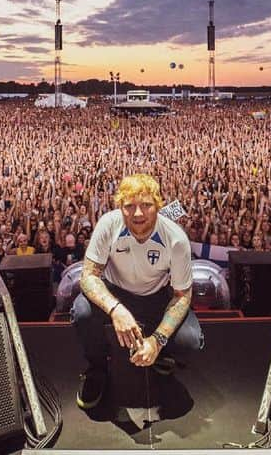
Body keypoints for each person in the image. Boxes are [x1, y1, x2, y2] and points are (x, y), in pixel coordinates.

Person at [71, 174, 203, 411]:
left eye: (146, 206)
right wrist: (116, 309)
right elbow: (88, 276)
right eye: (129, 206)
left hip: (157, 297)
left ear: (158, 206)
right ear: (120, 207)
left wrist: (158, 340)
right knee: (82, 313)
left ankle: (159, 356)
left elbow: (183, 295)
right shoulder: (108, 224)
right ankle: (97, 369)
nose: (138, 214)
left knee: (190, 341)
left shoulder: (176, 239)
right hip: (116, 293)